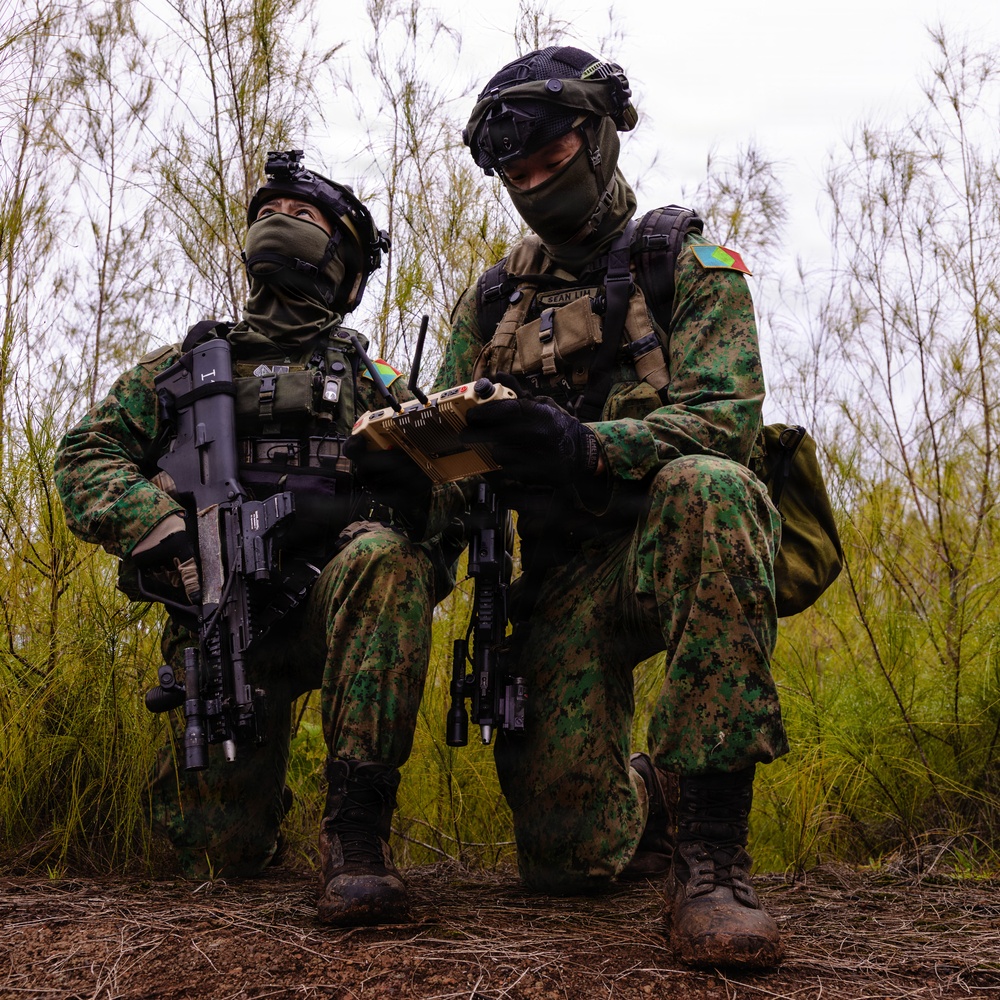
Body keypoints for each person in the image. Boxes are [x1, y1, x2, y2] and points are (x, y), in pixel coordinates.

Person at [393, 46, 786, 967]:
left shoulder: (687, 265)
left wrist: (585, 445)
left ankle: (713, 860)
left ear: (599, 139)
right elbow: (449, 448)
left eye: (553, 161)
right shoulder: (495, 300)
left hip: (672, 541)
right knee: (568, 860)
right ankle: (654, 797)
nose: (536, 186)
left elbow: (725, 426)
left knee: (712, 485)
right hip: (565, 575)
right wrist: (402, 479)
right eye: (517, 176)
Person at [54, 150, 453, 927]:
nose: (282, 219)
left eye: (305, 216)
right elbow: (83, 457)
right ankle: (262, 806)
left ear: (343, 263)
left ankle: (356, 835)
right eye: (270, 211)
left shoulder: (370, 377)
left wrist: (407, 498)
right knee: (213, 858)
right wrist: (161, 529)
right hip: (222, 620)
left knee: (386, 559)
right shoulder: (186, 365)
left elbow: (456, 489)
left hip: (335, 608)